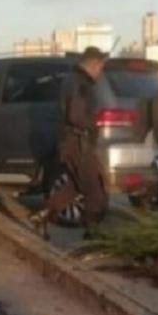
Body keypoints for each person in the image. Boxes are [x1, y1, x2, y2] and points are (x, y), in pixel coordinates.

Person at [30, 46, 108, 240]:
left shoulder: (72, 80)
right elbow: (76, 115)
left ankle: (43, 215)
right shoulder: (81, 84)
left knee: (74, 186)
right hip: (79, 144)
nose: (101, 72)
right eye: (101, 67)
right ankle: (93, 233)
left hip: (73, 143)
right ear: (93, 64)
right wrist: (93, 124)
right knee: (94, 189)